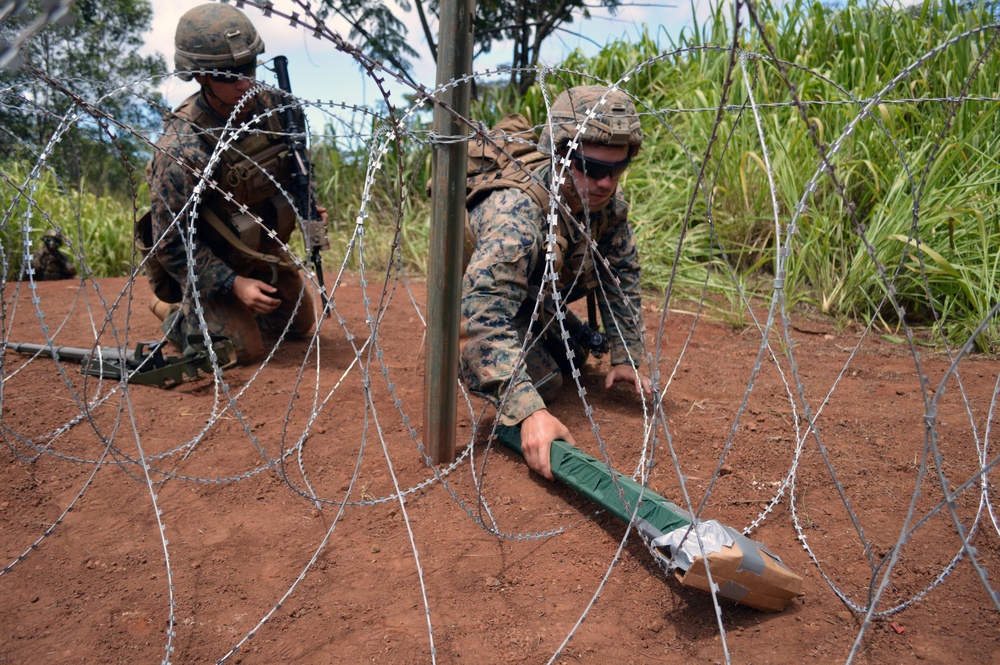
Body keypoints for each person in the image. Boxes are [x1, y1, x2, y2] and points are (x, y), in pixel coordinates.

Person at [460, 85, 653, 480]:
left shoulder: (606, 209)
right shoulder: (518, 215)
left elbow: (621, 275)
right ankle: (450, 353)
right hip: (474, 299)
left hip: (533, 294)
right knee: (545, 381)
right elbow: (483, 306)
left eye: (616, 170)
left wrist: (626, 355)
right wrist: (527, 411)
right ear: (560, 156)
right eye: (592, 169)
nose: (605, 183)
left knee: (575, 358)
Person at [143, 3, 321, 363]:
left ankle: (235, 310)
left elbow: (299, 167)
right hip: (210, 261)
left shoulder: (279, 109)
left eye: (248, 69)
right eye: (227, 76)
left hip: (260, 248)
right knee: (239, 350)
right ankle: (174, 312)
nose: (243, 83)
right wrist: (232, 284)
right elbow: (171, 244)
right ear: (199, 76)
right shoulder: (182, 147)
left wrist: (309, 205)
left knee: (296, 326)